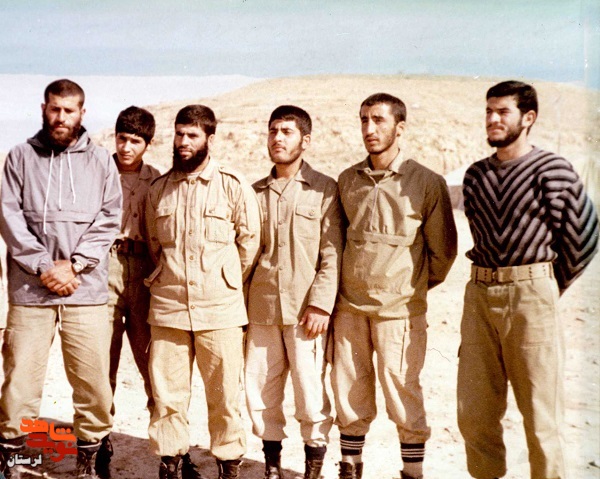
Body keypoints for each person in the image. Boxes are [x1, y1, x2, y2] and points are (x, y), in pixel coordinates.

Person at [457, 80, 599, 479]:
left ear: (528, 118)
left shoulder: (552, 169)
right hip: (479, 295)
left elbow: (584, 235)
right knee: (475, 412)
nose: (493, 119)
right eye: (489, 111)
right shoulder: (475, 176)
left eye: (503, 112)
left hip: (531, 297)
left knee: (540, 415)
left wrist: (547, 285)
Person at [0, 79, 122, 479]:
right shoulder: (20, 157)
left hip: (85, 290)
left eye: (69, 111)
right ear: (43, 109)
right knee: (20, 381)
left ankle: (87, 463)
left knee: (93, 382)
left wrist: (75, 265)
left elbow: (109, 218)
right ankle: (13, 462)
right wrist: (43, 266)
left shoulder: (101, 161)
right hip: (30, 290)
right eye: (55, 109)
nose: (61, 117)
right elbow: (10, 218)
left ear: (82, 113)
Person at [331, 93, 457, 479]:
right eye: (364, 120)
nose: (369, 128)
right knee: (348, 393)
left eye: (379, 120)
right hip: (350, 308)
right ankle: (350, 468)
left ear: (399, 128)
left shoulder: (427, 182)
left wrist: (408, 287)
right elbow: (338, 242)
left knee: (403, 392)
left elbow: (443, 253)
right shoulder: (347, 180)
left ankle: (412, 473)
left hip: (400, 311)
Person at [145, 105, 262, 479]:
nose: (183, 142)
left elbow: (249, 244)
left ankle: (228, 465)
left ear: (210, 139)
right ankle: (171, 463)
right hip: (169, 308)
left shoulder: (233, 185)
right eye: (179, 134)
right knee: (167, 397)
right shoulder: (159, 190)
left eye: (192, 135)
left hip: (220, 309)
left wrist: (222, 280)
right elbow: (154, 245)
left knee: (225, 396)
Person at [245, 105, 343, 479]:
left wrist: (321, 304)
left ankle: (312, 470)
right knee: (261, 394)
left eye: (287, 131)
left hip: (306, 313)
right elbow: (246, 255)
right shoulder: (254, 193)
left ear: (306, 140)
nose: (278, 138)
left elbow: (332, 253)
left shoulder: (324, 189)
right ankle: (272, 468)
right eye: (273, 131)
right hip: (262, 309)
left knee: (310, 395)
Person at [108, 106, 161, 417]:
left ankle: (165, 437)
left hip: (144, 270)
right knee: (103, 353)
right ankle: (98, 434)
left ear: (147, 144)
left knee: (151, 355)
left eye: (135, 141)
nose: (126, 147)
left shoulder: (157, 180)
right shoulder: (98, 173)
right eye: (122, 138)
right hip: (105, 266)